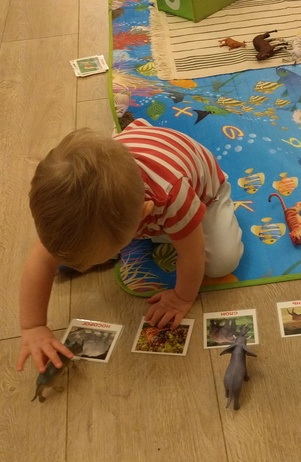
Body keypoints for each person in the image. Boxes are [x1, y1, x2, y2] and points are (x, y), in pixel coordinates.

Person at [16, 119, 243, 373]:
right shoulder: (67, 211)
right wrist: (33, 326)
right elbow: (39, 261)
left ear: (143, 216)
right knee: (68, 250)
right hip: (135, 166)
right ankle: (114, 244)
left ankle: (141, 239)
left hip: (204, 190)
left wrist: (181, 298)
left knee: (223, 261)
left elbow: (192, 253)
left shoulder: (173, 196)